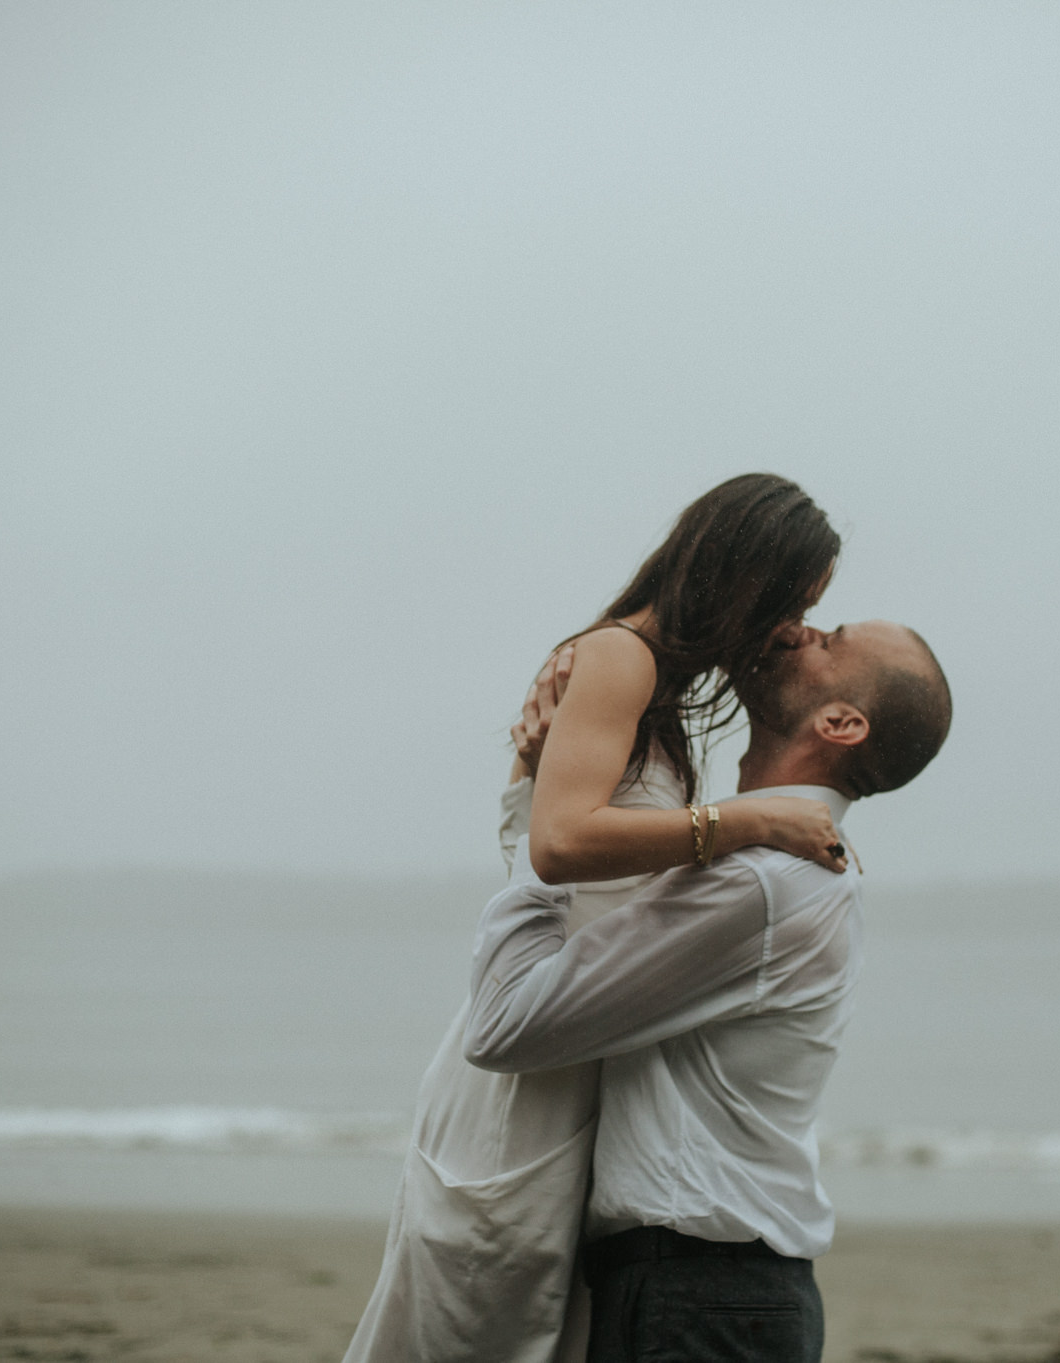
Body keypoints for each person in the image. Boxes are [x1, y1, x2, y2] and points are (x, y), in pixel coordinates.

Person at [343, 474, 850, 1363]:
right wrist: (749, 822)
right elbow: (560, 844)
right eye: (794, 605)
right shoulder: (622, 658)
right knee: (473, 1326)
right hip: (522, 1088)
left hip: (569, 1065)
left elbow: (555, 849)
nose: (791, 632)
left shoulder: (652, 690)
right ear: (743, 575)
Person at [465, 619, 952, 1363]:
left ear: (842, 722)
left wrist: (539, 827)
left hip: (698, 1295)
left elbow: (505, 1025)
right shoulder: (779, 869)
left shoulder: (765, 884)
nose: (797, 631)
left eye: (830, 640)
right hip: (717, 1289)